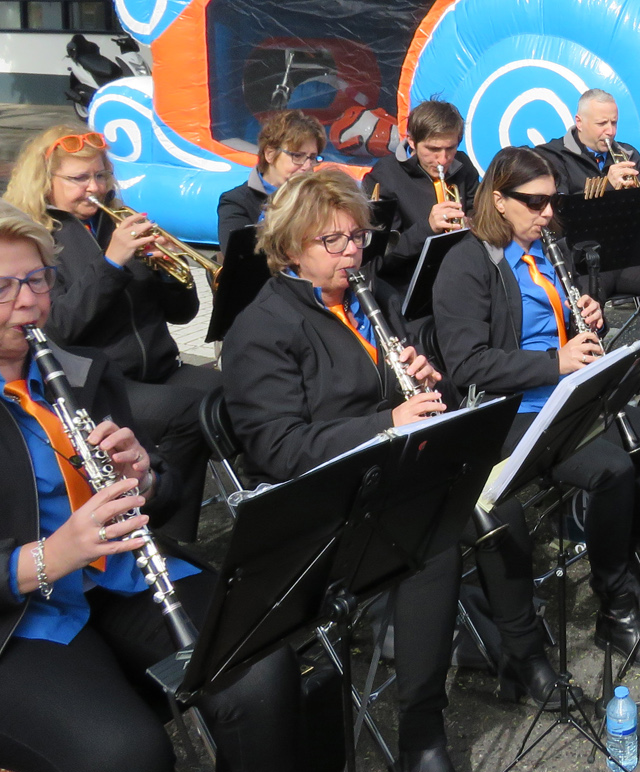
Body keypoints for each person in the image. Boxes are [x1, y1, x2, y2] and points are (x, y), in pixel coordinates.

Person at [0, 195, 308, 772]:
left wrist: (145, 478)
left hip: (121, 581)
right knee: (123, 753)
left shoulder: (83, 372)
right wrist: (47, 557)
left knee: (263, 673)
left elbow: (149, 502)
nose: (31, 302)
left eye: (39, 280)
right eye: (0, 288)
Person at [220, 169, 558, 772]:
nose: (353, 251)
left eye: (358, 238)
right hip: (328, 500)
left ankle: (521, 650)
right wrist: (389, 420)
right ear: (292, 246)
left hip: (393, 471)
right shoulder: (263, 329)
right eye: (335, 241)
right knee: (432, 545)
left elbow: (405, 386)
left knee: (497, 498)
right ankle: (421, 732)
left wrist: (422, 378)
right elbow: (277, 448)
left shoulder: (362, 301)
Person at [432, 146, 640, 667]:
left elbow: (558, 326)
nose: (549, 213)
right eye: (535, 202)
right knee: (613, 468)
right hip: (512, 411)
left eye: (553, 201)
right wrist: (555, 362)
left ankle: (627, 551)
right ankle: (615, 604)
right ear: (499, 200)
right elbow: (467, 365)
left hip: (570, 393)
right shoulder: (466, 263)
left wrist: (584, 317)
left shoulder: (548, 249)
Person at [4, 125, 218, 543]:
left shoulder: (116, 221)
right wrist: (112, 264)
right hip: (95, 383)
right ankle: (162, 532)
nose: (94, 188)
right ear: (45, 182)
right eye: (79, 179)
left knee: (243, 387)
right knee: (188, 412)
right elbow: (58, 328)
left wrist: (169, 270)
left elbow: (183, 313)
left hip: (160, 367)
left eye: (100, 176)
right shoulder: (37, 240)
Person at [536, 88, 640, 302]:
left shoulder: (628, 154)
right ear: (579, 122)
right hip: (580, 261)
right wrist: (607, 185)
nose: (610, 131)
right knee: (585, 305)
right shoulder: (551, 156)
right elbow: (558, 213)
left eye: (614, 123)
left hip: (627, 255)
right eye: (602, 124)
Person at [361, 99, 480, 286]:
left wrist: (472, 223)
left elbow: (479, 212)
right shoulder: (384, 176)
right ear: (412, 141)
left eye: (450, 148)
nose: (443, 159)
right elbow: (381, 258)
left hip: (461, 278)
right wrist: (428, 227)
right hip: (408, 285)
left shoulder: (463, 165)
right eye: (433, 149)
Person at [216, 109, 326, 257]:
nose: (307, 166)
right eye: (297, 156)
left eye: (312, 157)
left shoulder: (321, 197)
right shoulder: (236, 201)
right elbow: (239, 259)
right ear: (270, 154)